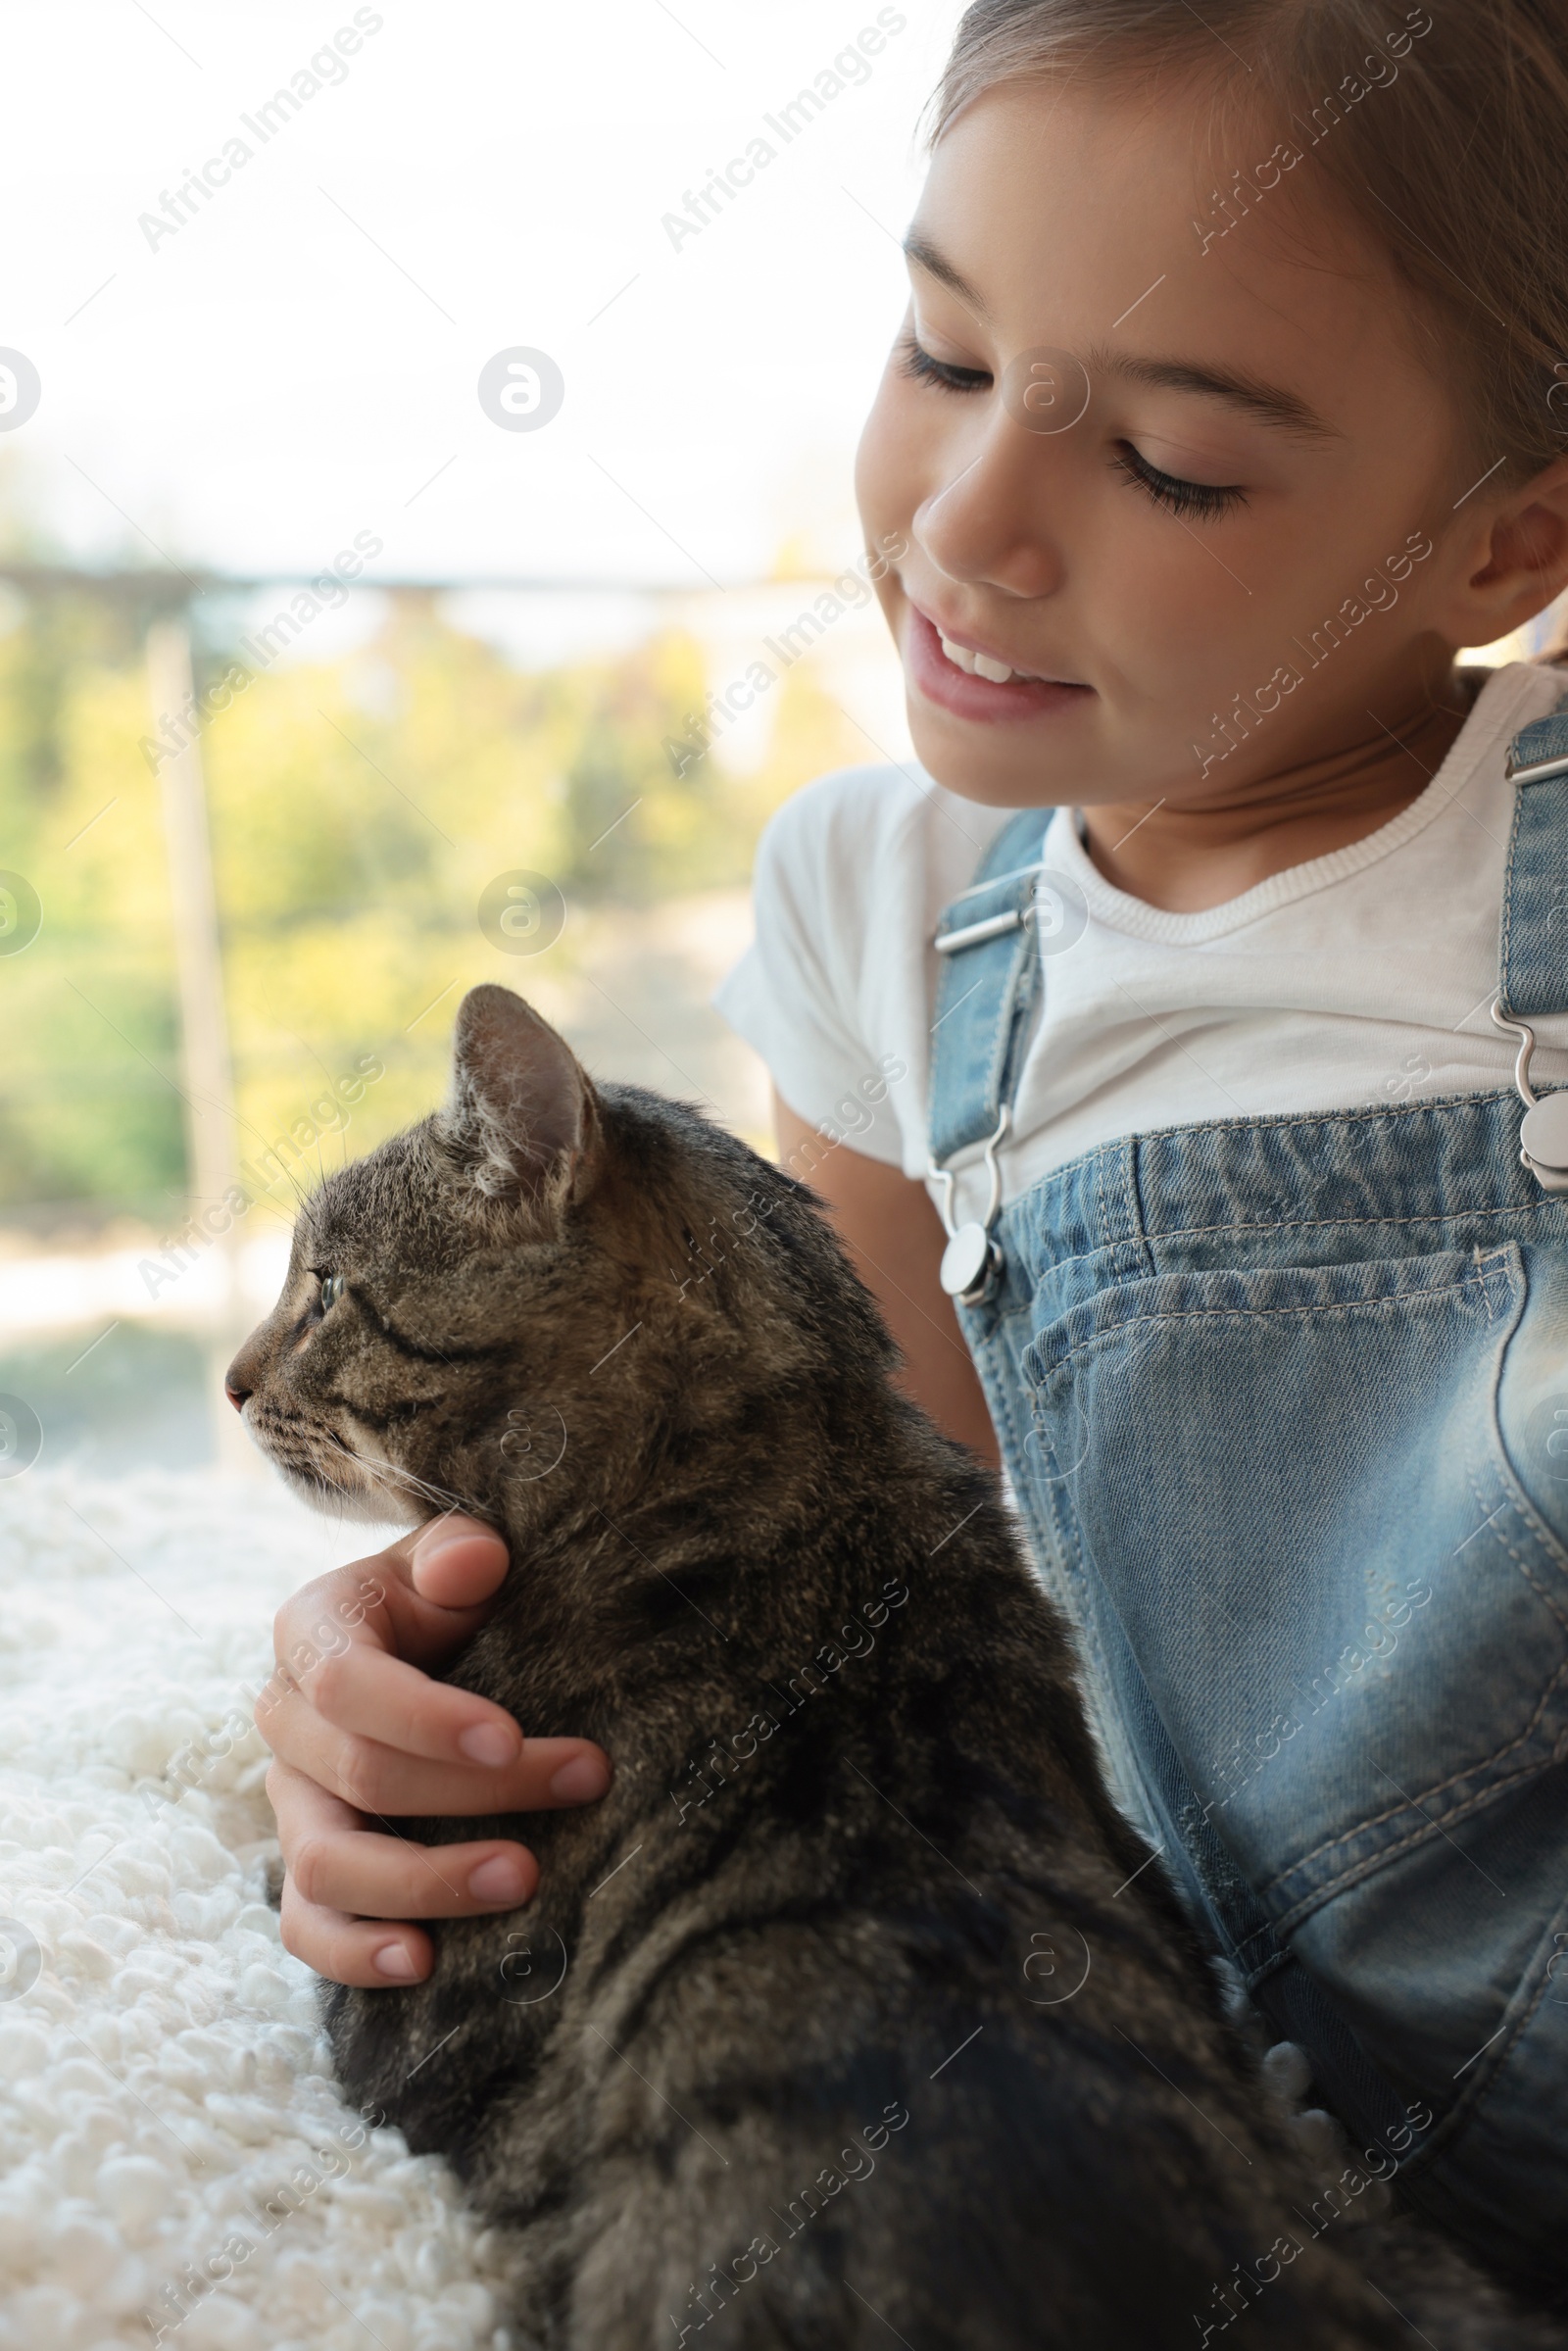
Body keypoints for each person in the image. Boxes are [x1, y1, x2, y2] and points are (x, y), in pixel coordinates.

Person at [260, 0, 1568, 2284]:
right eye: (943, 352)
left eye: (1164, 460)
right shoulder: (886, 911)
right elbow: (850, 1591)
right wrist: (410, 1703)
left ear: (1501, 541)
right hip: (1109, 2155)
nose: (963, 530)